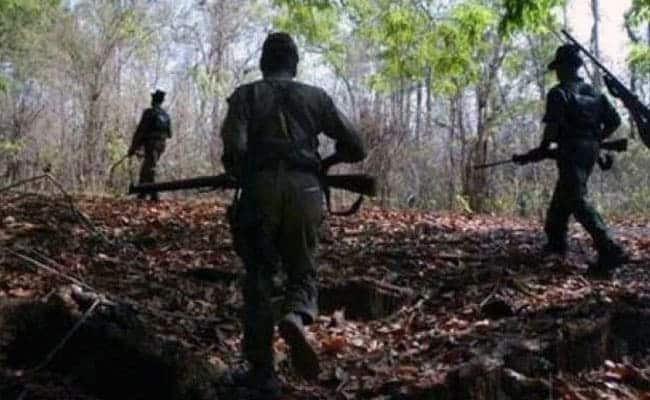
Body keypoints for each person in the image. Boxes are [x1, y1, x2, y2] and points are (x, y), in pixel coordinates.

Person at [220, 32, 366, 397]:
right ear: (295, 64)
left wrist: (242, 168)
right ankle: (296, 315)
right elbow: (356, 146)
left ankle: (262, 373)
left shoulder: (246, 95)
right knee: (303, 268)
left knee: (258, 277)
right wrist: (324, 163)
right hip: (307, 190)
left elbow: (234, 148)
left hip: (261, 189)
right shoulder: (317, 97)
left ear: (263, 63)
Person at [513, 44, 626, 276]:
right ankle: (556, 241)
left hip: (571, 151)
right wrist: (595, 139)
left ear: (565, 68)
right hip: (590, 151)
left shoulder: (559, 93)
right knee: (565, 193)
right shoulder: (595, 93)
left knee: (576, 198)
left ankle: (609, 248)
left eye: (559, 68)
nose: (557, 73)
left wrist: (541, 150)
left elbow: (552, 129)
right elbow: (615, 121)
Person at [128, 89, 172, 201]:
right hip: (162, 144)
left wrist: (133, 147)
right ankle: (142, 194)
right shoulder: (166, 115)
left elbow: (140, 131)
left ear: (153, 100)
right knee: (146, 168)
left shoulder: (149, 112)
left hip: (152, 144)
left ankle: (154, 195)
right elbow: (170, 134)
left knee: (149, 168)